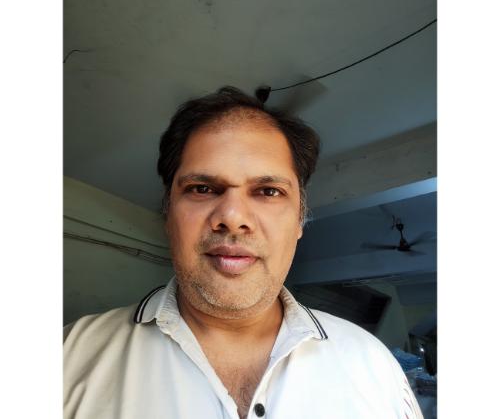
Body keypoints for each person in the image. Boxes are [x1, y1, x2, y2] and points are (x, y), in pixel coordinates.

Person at [64, 87, 423, 419]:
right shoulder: (68, 359)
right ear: (168, 214)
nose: (233, 217)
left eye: (268, 191)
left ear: (300, 220)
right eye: (202, 188)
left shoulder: (374, 366)